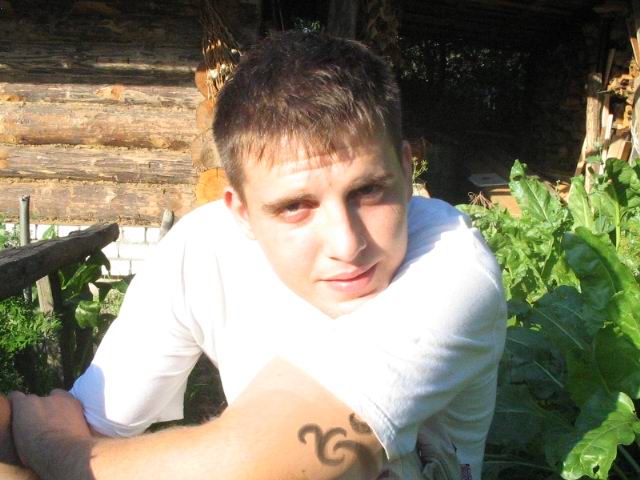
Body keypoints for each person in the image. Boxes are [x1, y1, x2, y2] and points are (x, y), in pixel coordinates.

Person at [3, 31, 506, 479]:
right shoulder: (202, 249)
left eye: (368, 191)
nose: (347, 245)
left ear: (406, 169)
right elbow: (90, 424)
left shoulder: (452, 267)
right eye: (295, 207)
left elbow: (256, 466)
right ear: (240, 212)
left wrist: (53, 446)